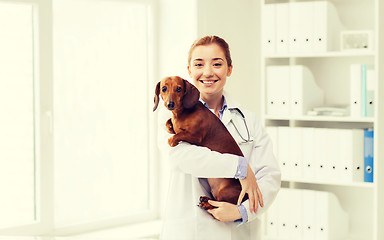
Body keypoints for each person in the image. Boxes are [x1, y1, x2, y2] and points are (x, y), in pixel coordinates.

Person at [158, 35, 281, 240]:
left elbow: (270, 176)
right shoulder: (170, 115)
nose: (208, 72)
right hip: (189, 230)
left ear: (229, 69)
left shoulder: (247, 120)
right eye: (199, 64)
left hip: (236, 231)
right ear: (189, 71)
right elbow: (185, 158)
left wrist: (242, 211)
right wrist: (241, 168)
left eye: (217, 64)